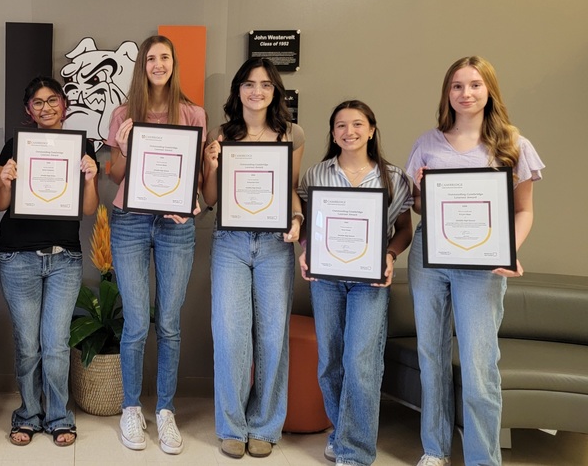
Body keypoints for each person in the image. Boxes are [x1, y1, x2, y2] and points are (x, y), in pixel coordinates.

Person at [405, 56, 543, 466]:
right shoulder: (427, 143)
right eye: (457, 86)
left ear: (489, 91)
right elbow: (417, 207)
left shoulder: (514, 145)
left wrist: (510, 250)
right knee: (431, 355)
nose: (465, 93)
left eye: (474, 85)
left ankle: (483, 459)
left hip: (484, 262)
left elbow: (524, 211)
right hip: (430, 256)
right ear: (448, 93)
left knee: (480, 363)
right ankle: (435, 449)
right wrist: (421, 191)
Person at [296, 100, 413, 466]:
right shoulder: (316, 175)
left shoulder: (394, 178)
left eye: (358, 124)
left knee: (361, 361)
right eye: (341, 126)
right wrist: (305, 250)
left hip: (371, 283)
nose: (350, 131)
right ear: (333, 134)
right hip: (326, 279)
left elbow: (406, 230)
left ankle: (355, 452)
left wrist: (390, 255)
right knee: (331, 361)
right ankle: (341, 430)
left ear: (372, 129)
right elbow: (304, 224)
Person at [105, 35, 206, 455]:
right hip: (130, 220)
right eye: (151, 58)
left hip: (175, 225)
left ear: (174, 63)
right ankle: (131, 407)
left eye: (165, 57)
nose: (158, 64)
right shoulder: (124, 113)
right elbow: (114, 174)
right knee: (133, 323)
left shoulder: (193, 113)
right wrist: (126, 149)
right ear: (142, 65)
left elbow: (198, 176)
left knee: (168, 322)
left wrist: (192, 202)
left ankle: (164, 411)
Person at [201, 57, 304, 459]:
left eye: (264, 84)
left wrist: (296, 216)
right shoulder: (221, 134)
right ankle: (231, 425)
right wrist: (211, 167)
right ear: (238, 90)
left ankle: (264, 424)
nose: (256, 91)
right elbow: (209, 199)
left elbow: (291, 191)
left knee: (273, 334)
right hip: (230, 241)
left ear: (275, 90)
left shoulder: (291, 135)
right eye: (248, 84)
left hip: (276, 244)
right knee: (229, 335)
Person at [0, 76, 99, 448]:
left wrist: (91, 178)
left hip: (65, 258)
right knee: (27, 345)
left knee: (54, 343)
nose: (46, 108)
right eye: (37, 103)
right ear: (28, 111)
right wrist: (4, 180)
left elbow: (87, 210)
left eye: (53, 100)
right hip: (18, 257)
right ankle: (28, 415)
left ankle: (58, 417)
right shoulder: (14, 146)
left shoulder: (82, 147)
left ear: (64, 105)